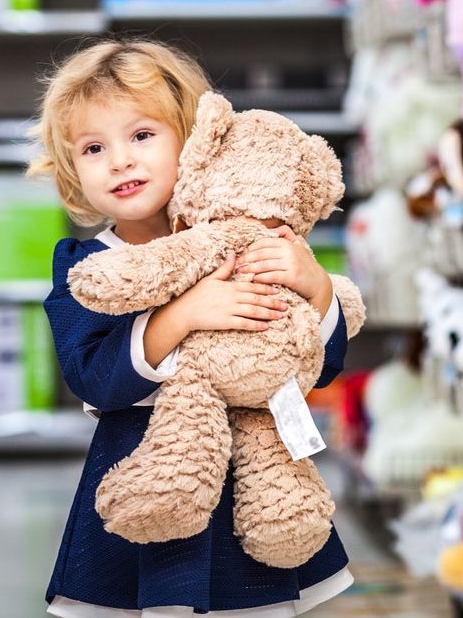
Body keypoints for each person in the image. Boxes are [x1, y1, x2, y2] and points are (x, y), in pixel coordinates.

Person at [27, 37, 353, 617]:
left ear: (199, 142)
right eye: (94, 147)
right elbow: (94, 379)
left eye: (142, 136)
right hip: (148, 474)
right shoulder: (85, 265)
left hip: (247, 481)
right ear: (72, 167)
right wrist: (181, 315)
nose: (120, 160)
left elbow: (316, 364)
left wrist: (316, 286)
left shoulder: (260, 241)